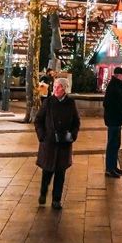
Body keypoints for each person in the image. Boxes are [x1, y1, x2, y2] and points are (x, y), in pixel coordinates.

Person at [34, 78, 80, 209]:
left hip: (64, 144)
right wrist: (42, 136)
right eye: (54, 86)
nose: (55, 89)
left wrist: (72, 134)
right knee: (47, 173)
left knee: (60, 174)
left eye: (58, 87)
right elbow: (38, 120)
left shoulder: (70, 103)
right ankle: (43, 193)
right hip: (49, 144)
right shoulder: (48, 102)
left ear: (65, 89)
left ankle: (56, 200)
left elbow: (76, 122)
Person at [103, 65, 122, 178]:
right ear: (119, 75)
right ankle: (109, 169)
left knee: (116, 144)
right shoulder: (113, 86)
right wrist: (117, 111)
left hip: (117, 119)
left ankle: (113, 167)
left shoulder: (118, 85)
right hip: (113, 119)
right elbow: (108, 103)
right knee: (112, 144)